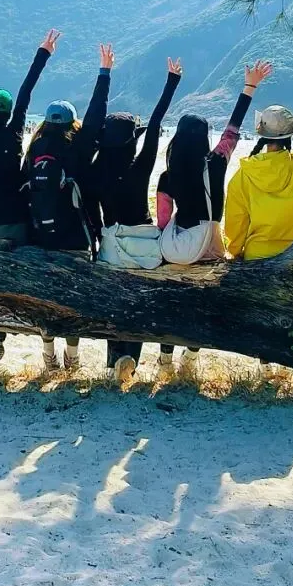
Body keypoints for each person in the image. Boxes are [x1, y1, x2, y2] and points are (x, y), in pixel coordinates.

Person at [151, 59, 275, 373]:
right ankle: (190, 359)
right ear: (205, 138)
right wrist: (249, 87)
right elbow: (232, 131)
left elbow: (163, 221)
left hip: (179, 245)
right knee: (201, 305)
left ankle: (165, 359)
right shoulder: (216, 164)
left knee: (173, 302)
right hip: (210, 245)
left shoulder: (168, 176)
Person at [0, 28, 61, 371]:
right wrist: (42, 53)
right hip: (19, 226)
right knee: (3, 288)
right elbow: (25, 93)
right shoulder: (16, 134)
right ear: (7, 115)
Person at [22, 43, 114, 370]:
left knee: (45, 298)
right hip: (75, 236)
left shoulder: (34, 151)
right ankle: (72, 359)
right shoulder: (78, 148)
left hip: (41, 236)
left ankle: (48, 355)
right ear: (72, 123)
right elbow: (96, 114)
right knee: (71, 299)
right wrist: (104, 73)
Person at [93, 57, 184, 379]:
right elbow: (156, 124)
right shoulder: (140, 166)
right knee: (140, 304)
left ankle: (112, 362)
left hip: (112, 244)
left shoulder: (97, 171)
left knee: (115, 305)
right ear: (132, 142)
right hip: (144, 243)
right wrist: (172, 81)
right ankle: (130, 358)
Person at [224, 52, 293, 261]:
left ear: (262, 134)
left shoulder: (244, 175)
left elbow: (236, 224)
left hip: (257, 256)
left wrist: (236, 251)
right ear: (290, 135)